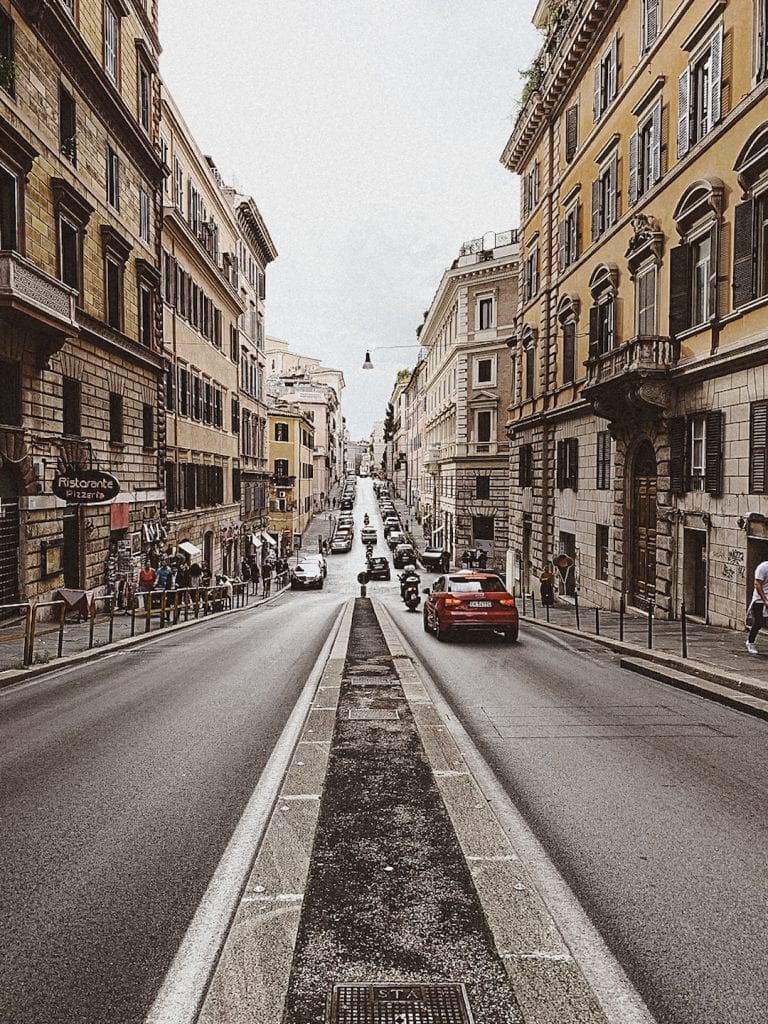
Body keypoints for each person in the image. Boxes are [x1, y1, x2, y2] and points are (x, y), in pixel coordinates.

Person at [746, 559, 768, 653]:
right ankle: (750, 642)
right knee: (759, 622)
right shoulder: (763, 567)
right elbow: (757, 584)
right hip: (759, 600)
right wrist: (765, 600)